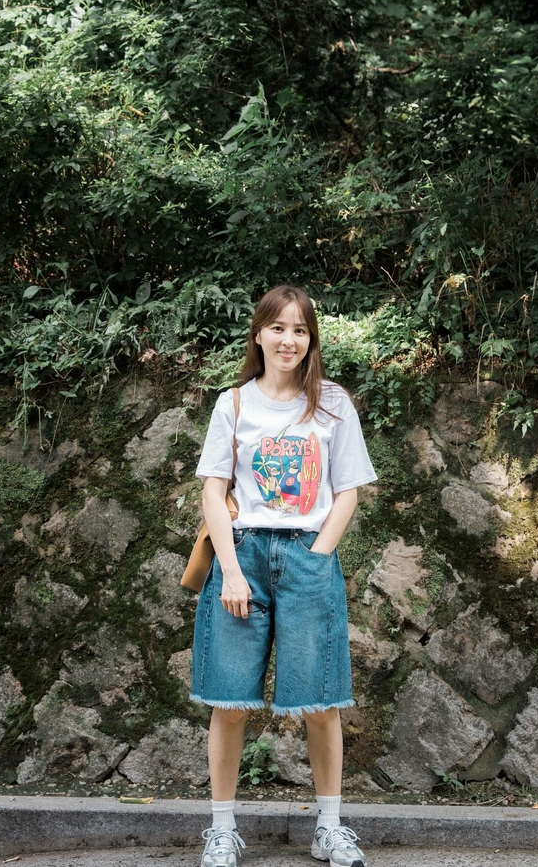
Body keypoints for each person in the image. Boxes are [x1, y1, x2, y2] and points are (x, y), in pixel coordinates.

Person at [191, 285, 377, 867]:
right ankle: (222, 830)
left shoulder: (333, 403)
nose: (288, 340)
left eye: (300, 330)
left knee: (320, 701)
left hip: (307, 556)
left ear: (310, 339)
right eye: (278, 328)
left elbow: (347, 491)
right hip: (242, 555)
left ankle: (329, 827)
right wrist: (230, 572)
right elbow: (213, 492)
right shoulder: (233, 404)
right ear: (259, 334)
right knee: (230, 701)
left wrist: (318, 557)